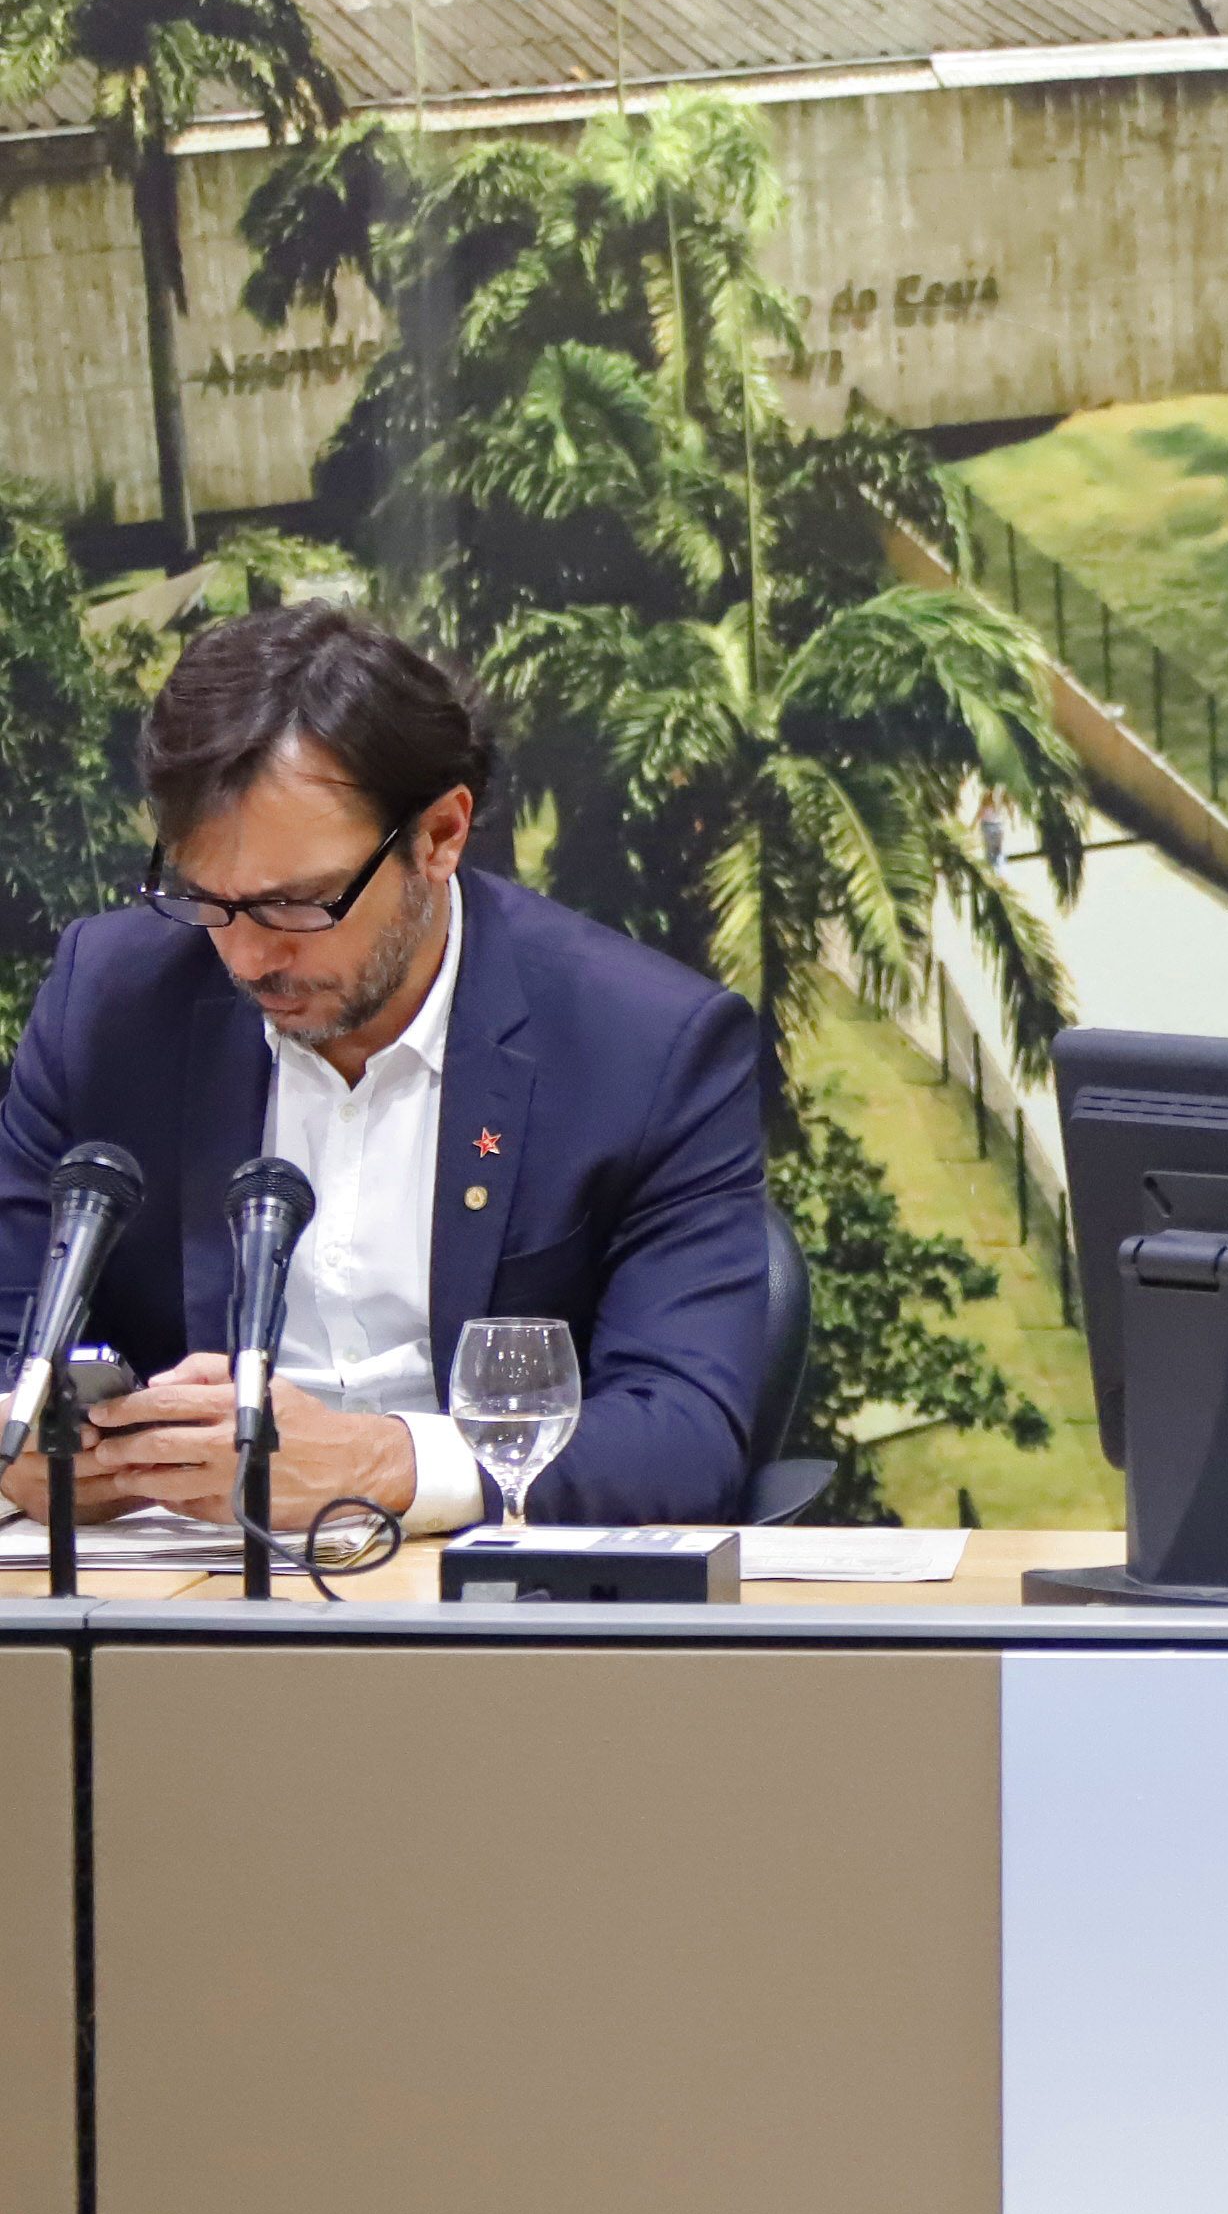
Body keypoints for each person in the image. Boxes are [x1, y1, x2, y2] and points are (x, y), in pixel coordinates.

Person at [0, 605, 771, 1533]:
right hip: (179, 1581)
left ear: (440, 835)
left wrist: (381, 1463)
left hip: (485, 1588)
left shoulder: (646, 1046)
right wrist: (40, 1452)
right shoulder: (107, 1005)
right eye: (208, 900)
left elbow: (684, 1433)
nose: (247, 956)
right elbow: (9, 1345)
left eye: (298, 903)